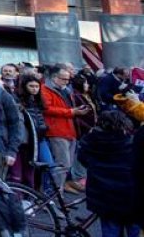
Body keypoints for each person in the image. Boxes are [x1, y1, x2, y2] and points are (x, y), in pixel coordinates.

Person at [78, 111, 141, 237]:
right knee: (134, 229)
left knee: (110, 229)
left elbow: (83, 159)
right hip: (131, 195)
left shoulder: (90, 141)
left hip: (102, 195)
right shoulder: (131, 142)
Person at [41, 63, 89, 192]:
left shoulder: (65, 90)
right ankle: (57, 195)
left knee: (66, 165)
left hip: (69, 130)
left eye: (68, 79)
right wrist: (71, 112)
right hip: (57, 131)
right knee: (62, 165)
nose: (67, 82)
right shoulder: (45, 90)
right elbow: (47, 109)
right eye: (64, 79)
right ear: (54, 77)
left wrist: (74, 111)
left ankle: (60, 193)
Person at [10, 74, 55, 189]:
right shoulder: (18, 99)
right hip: (28, 139)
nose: (35, 89)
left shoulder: (38, 100)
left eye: (37, 86)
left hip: (40, 137)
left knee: (48, 165)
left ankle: (46, 193)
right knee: (28, 169)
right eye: (31, 86)